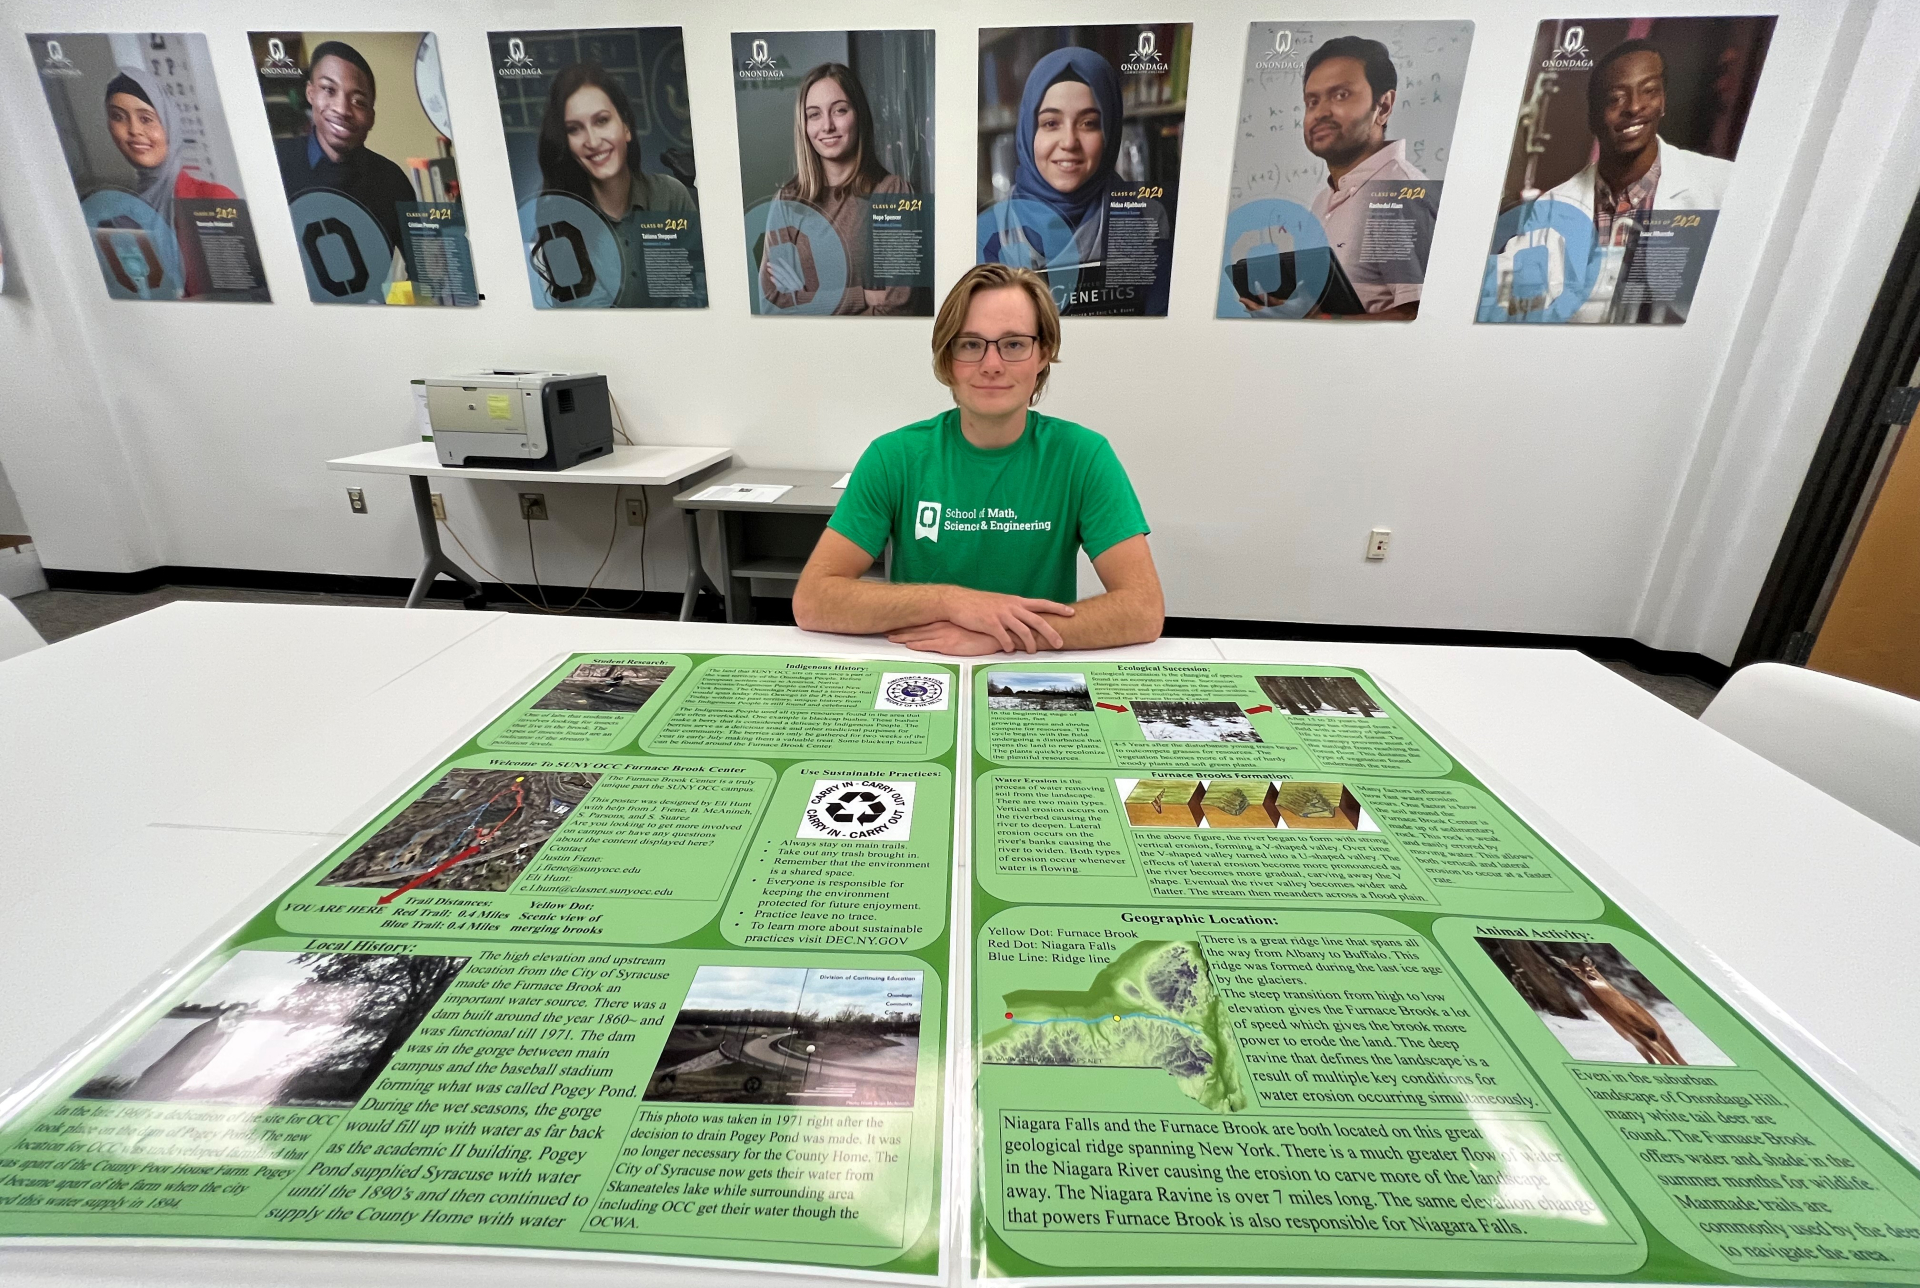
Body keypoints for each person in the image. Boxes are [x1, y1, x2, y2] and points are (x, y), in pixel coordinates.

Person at [793, 263, 1164, 654]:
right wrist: (952, 601)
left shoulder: (1083, 457)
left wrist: (997, 634)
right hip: (924, 662)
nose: (991, 365)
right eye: (970, 344)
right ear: (947, 358)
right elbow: (814, 600)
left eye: (1014, 344)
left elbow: (1143, 609)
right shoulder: (894, 457)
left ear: (1044, 354)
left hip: (1032, 669)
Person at [1531, 38, 1730, 322]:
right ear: (1592, 117)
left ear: (1663, 102)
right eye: (1615, 98)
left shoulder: (1725, 186)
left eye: (1649, 91)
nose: (1635, 107)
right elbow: (1515, 299)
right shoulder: (1551, 206)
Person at [987, 47, 1171, 317]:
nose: (1069, 142)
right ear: (1028, 130)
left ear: (1110, 130)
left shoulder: (1146, 217)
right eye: (1051, 123)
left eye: (1088, 123)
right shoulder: (994, 230)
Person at [537, 62, 695, 307]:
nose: (592, 140)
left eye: (601, 121)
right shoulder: (559, 219)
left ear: (626, 127)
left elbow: (697, 291)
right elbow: (580, 317)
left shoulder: (670, 195)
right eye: (575, 129)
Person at [758, 63, 912, 314]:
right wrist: (862, 296)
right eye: (814, 114)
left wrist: (803, 298)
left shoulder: (892, 193)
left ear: (858, 114)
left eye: (839, 110)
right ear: (804, 126)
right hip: (805, 353)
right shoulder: (787, 200)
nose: (827, 126)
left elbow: (899, 308)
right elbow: (773, 307)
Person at [1299, 36, 1428, 319]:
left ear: (1383, 107)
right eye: (1312, 101)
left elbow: (1416, 315)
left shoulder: (1397, 195)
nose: (1320, 112)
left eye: (1341, 95)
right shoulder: (1323, 199)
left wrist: (1322, 322)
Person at [273, 40, 416, 263]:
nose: (342, 109)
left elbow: (425, 272)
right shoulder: (274, 164)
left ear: (371, 117)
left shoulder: (392, 181)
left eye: (358, 101)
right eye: (329, 90)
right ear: (310, 92)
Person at [101, 65, 237, 298]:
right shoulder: (114, 219)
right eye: (118, 117)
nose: (134, 130)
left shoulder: (213, 201)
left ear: (169, 125)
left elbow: (244, 296)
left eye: (146, 119)